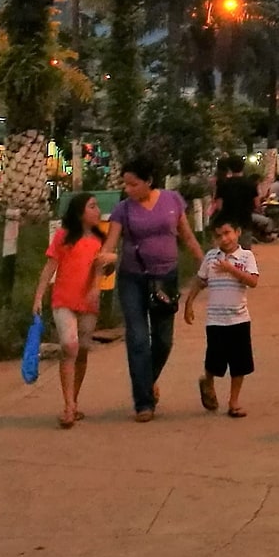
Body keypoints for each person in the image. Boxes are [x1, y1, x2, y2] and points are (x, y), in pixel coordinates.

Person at [97, 157, 202, 423]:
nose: (128, 189)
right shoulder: (123, 209)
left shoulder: (172, 201)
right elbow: (110, 242)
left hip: (166, 278)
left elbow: (187, 236)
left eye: (133, 184)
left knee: (164, 340)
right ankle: (143, 402)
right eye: (126, 184)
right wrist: (103, 259)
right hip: (133, 279)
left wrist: (204, 262)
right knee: (138, 338)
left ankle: (147, 380)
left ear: (149, 181)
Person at [32, 193, 107, 429]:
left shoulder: (100, 240)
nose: (97, 211)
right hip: (63, 301)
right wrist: (38, 296)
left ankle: (73, 400)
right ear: (79, 213)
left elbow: (101, 270)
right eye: (92, 206)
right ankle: (68, 406)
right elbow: (49, 268)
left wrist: (96, 288)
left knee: (82, 350)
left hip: (88, 304)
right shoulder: (63, 237)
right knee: (69, 345)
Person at [184, 221, 259, 418]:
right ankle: (208, 381)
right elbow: (201, 281)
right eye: (219, 236)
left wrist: (231, 269)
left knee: (239, 363)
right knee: (214, 359)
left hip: (239, 319)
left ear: (238, 232)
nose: (224, 239)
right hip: (215, 320)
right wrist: (189, 303)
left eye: (227, 233)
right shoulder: (211, 257)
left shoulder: (246, 256)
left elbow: (253, 281)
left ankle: (233, 402)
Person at [209, 157, 258, 240]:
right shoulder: (250, 184)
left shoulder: (223, 184)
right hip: (245, 220)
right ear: (243, 167)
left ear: (229, 168)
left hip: (228, 222)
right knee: (244, 250)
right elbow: (257, 203)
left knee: (229, 248)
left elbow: (219, 206)